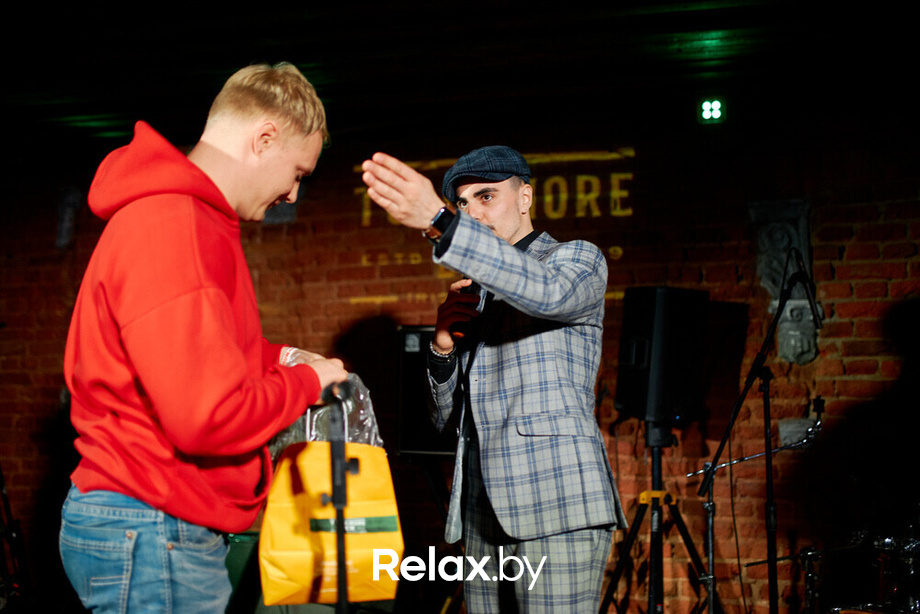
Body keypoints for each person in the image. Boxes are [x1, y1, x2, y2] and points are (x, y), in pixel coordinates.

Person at [59, 62, 348, 613]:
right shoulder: (175, 224)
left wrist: (280, 356)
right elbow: (207, 414)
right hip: (153, 525)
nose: (292, 193)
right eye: (298, 172)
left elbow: (191, 351)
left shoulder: (188, 218)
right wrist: (305, 382)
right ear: (264, 138)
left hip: (151, 524)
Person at [362, 146, 626, 612]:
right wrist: (443, 346)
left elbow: (545, 294)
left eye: (487, 197)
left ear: (525, 197)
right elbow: (444, 417)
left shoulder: (575, 259)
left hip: (555, 502)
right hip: (481, 512)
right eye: (462, 204)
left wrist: (445, 224)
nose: (474, 213)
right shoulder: (477, 294)